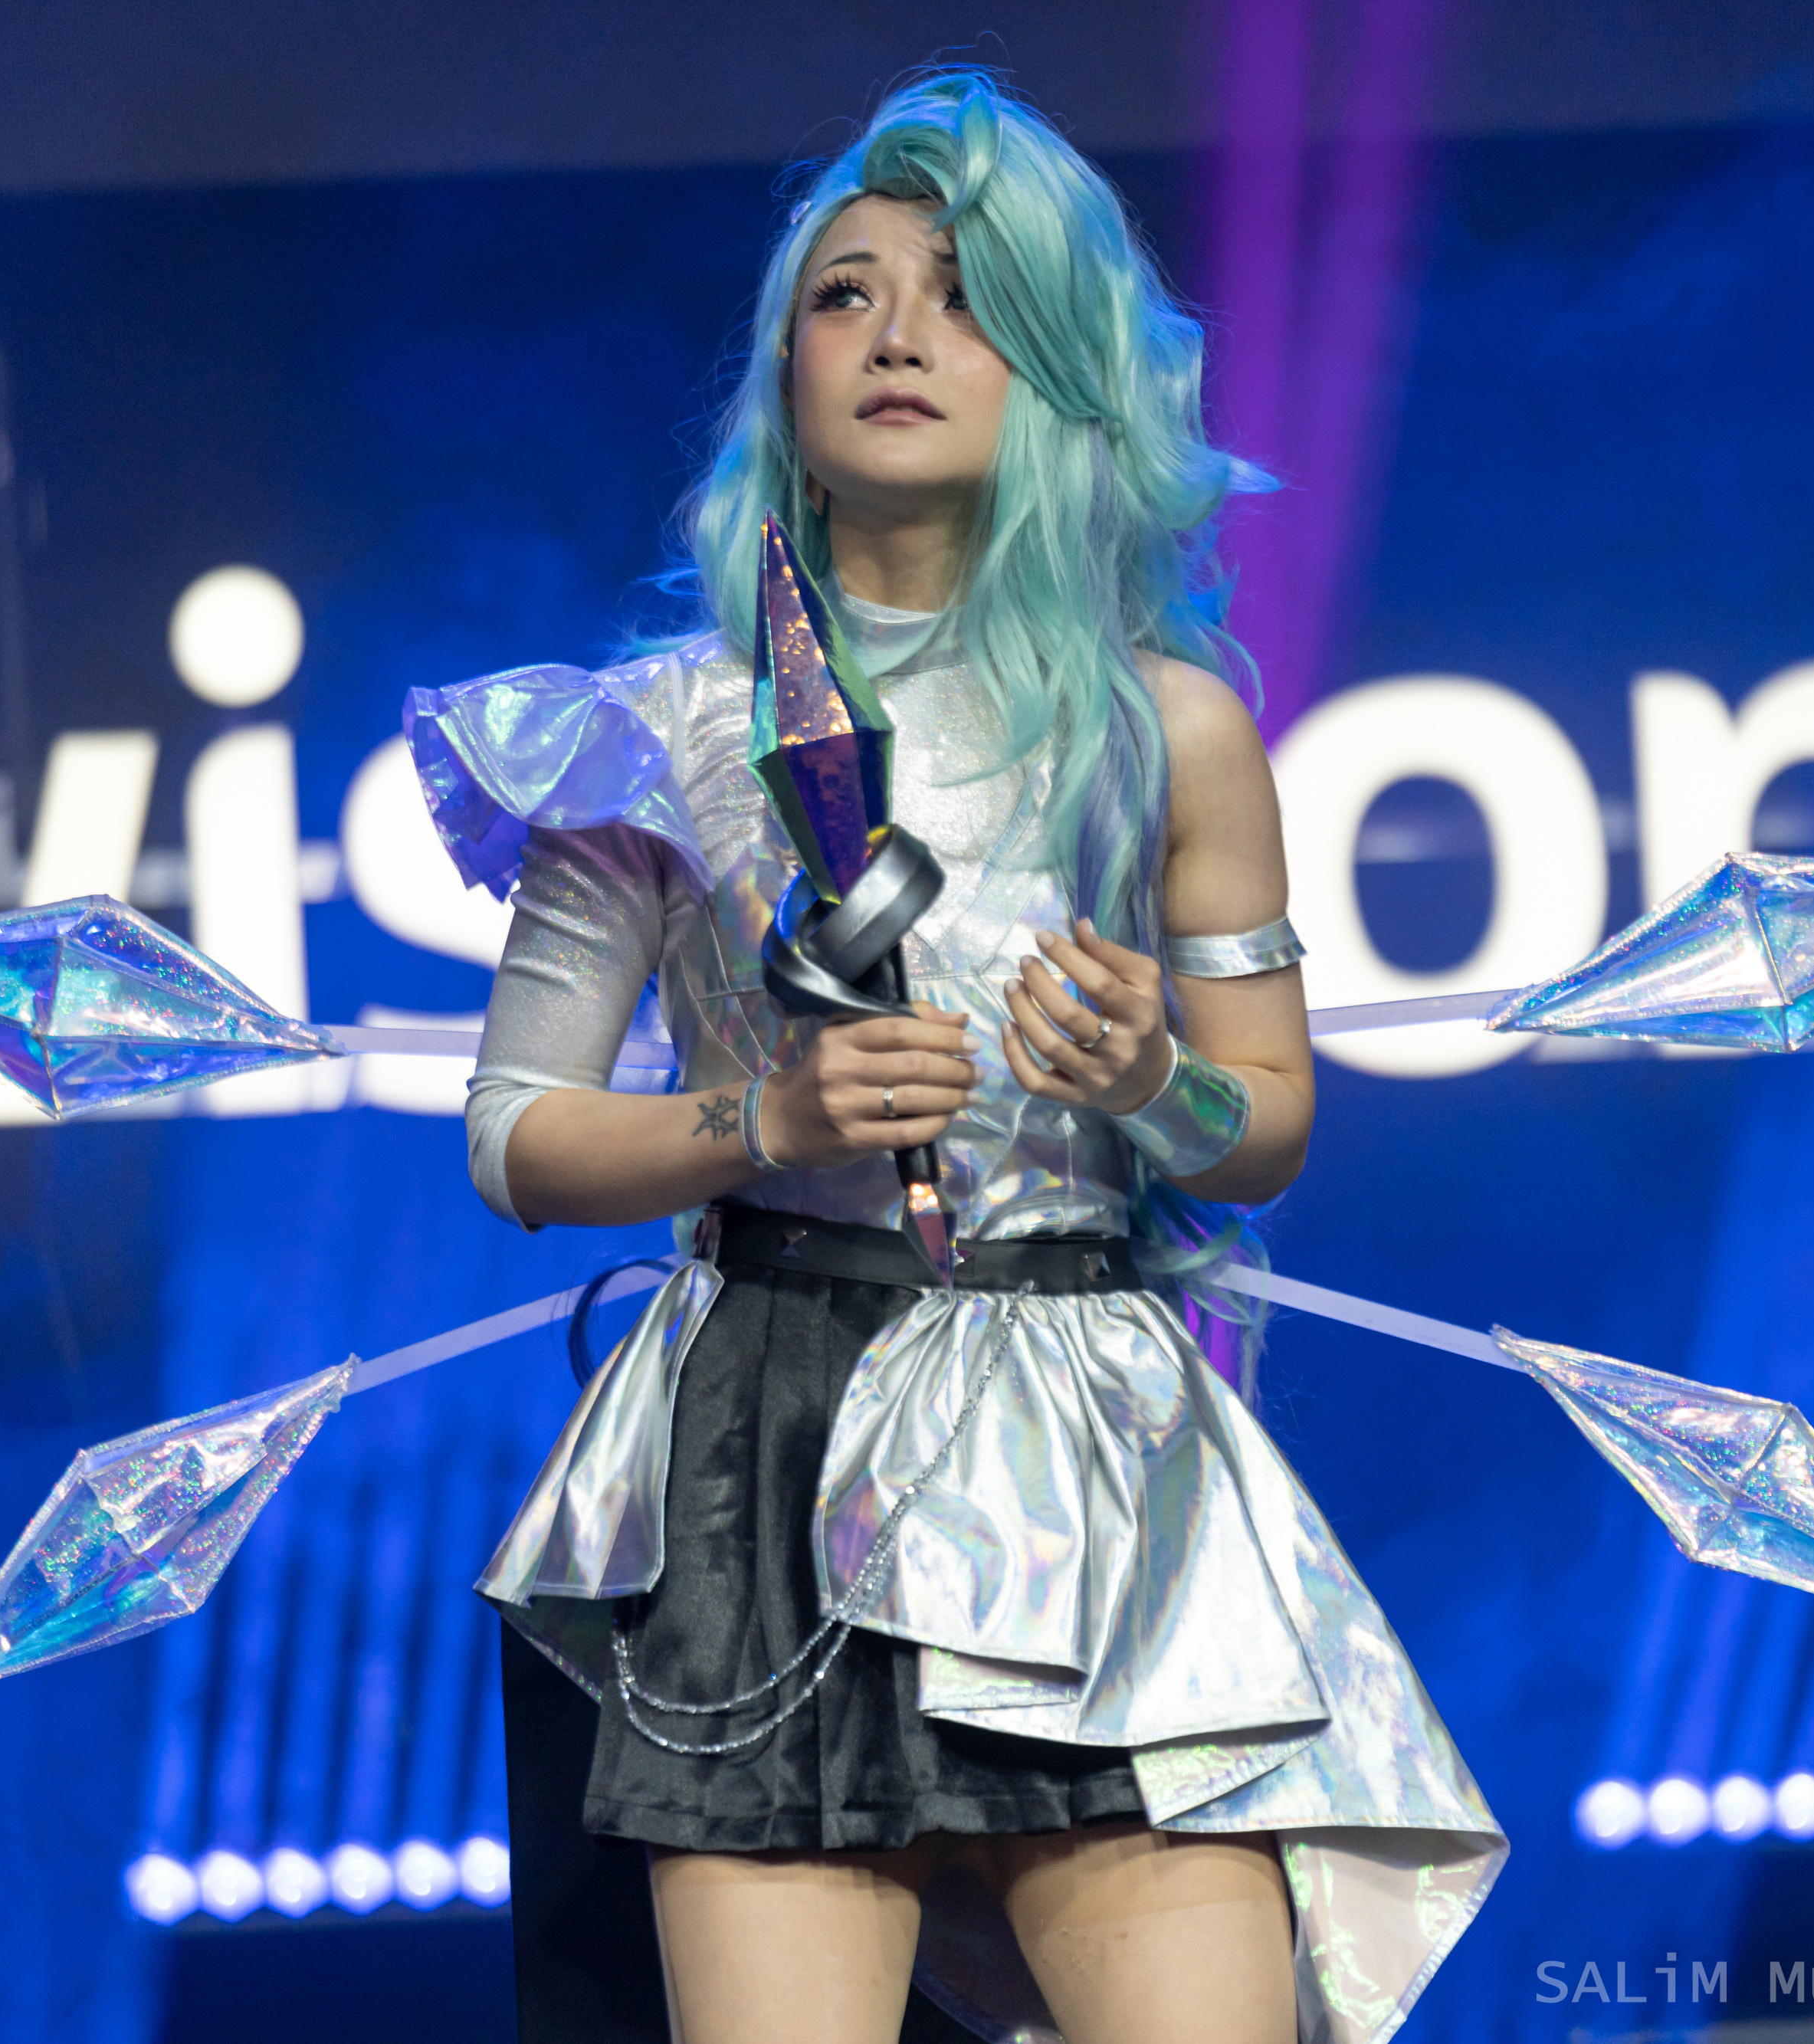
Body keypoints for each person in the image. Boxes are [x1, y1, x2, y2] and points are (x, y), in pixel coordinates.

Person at [417, 71, 1503, 2044]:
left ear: (1061, 376)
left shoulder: (1166, 729)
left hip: (1090, 1450)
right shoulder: (649, 733)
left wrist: (1150, 1081)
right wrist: (760, 1115)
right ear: (785, 372)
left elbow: (1261, 1124)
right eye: (844, 294)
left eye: (964, 297)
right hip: (763, 1448)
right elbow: (513, 1135)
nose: (898, 335)